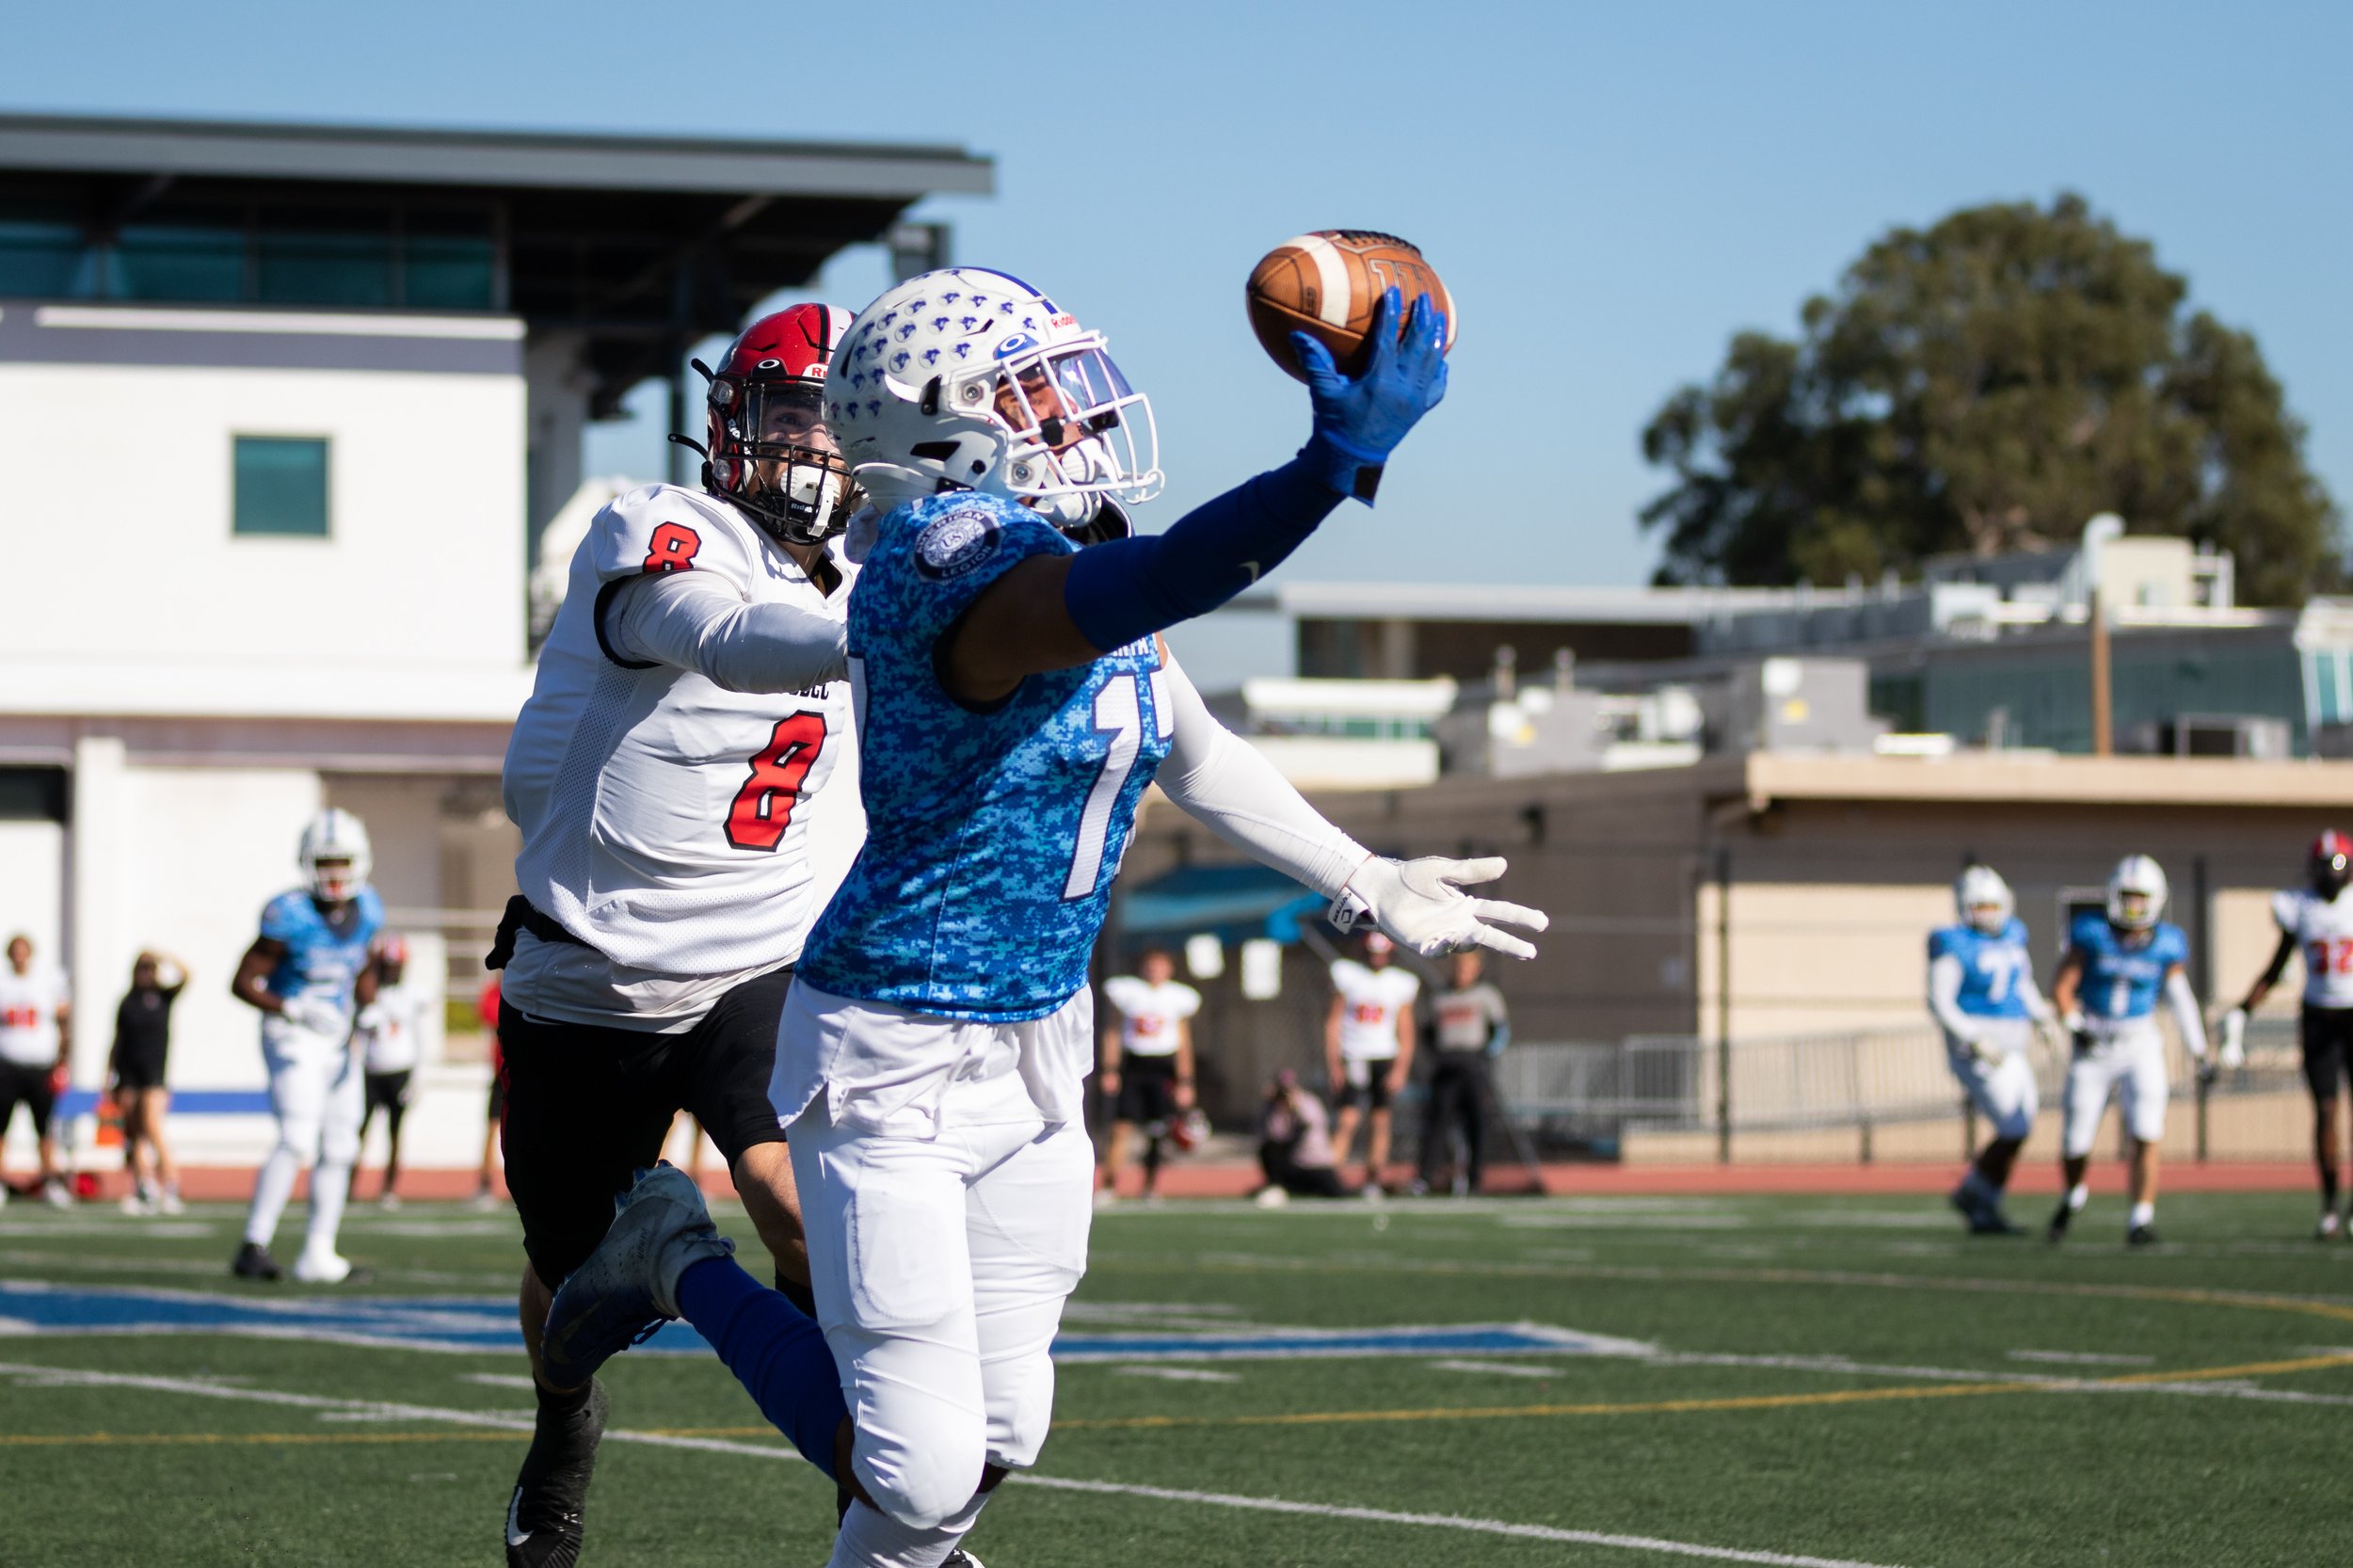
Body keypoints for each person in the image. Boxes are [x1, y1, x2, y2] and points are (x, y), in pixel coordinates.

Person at [540, 266, 1541, 1568]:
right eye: (1035, 391)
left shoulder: (1063, 558)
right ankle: (675, 1257)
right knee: (914, 1467)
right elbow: (1167, 581)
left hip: (1035, 1038)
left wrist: (1363, 874)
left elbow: (1191, 745)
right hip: (890, 1047)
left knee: (997, 1434)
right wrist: (1324, 468)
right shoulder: (940, 560)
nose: (1074, 415)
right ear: (940, 421)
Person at [493, 303, 866, 1568]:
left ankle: (869, 1492)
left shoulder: (888, 566)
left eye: (834, 415)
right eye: (789, 412)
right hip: (589, 977)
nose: (813, 443)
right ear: (729, 424)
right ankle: (561, 1420)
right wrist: (893, 634)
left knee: (805, 1214)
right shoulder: (657, 528)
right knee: (567, 1290)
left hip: (757, 963)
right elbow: (717, 632)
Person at [230, 809, 384, 1283]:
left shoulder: (369, 908)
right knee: (297, 1136)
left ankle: (319, 1251)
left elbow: (362, 969)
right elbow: (241, 982)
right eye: (325, 862)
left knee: (340, 1143)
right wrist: (291, 1007)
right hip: (292, 1033)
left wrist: (372, 1007)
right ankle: (254, 1244)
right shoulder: (288, 913)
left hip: (337, 1037)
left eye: (342, 862)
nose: (334, 873)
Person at [2046, 855, 2211, 1247]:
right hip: (2096, 1043)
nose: (2133, 906)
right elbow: (2062, 987)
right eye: (2127, 896)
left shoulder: (2167, 943)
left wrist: (2201, 1051)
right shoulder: (2092, 934)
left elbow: (2182, 1000)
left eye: (2140, 897)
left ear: (2156, 899)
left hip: (2140, 1044)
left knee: (2146, 1132)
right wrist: (2073, 1024)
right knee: (2075, 1142)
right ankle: (2073, 1193)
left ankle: (2141, 1218)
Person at [2218, 830, 2344, 1237]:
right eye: (2322, 866)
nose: (2328, 873)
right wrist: (2243, 1008)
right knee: (2326, 1111)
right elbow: (2275, 967)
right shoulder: (2299, 907)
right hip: (2318, 1017)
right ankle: (2329, 1206)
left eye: (2336, 864)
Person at [1928, 865, 2060, 1235]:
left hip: (2013, 1046)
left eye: (1992, 904)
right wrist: (1973, 1038)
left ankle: (1980, 1196)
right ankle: (1976, 1192)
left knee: (2023, 1124)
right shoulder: (1952, 942)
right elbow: (1939, 1000)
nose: (1987, 912)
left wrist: (2042, 1018)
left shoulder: (2014, 935)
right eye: (1979, 905)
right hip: (1978, 1051)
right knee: (2013, 1124)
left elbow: (2024, 984)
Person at [1096, 946, 1200, 1203]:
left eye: (1160, 965)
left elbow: (1184, 1042)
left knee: (1158, 1130)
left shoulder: (1178, 997)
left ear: (1170, 968)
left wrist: (1186, 1080)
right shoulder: (1128, 993)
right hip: (1134, 1065)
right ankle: (1109, 1185)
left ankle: (1150, 1186)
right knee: (1120, 1128)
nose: (1155, 970)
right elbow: (1112, 1031)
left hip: (1163, 1067)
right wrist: (1110, 1068)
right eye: (1151, 965)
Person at [1326, 930, 1419, 1193]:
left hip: (1383, 1056)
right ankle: (1331, 1178)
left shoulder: (1399, 983)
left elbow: (1406, 1031)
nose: (1376, 959)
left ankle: (1372, 1180)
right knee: (1347, 1120)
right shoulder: (1349, 977)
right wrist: (1334, 1063)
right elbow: (1333, 1022)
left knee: (1380, 1121)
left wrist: (1401, 1069)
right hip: (1354, 1055)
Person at [1416, 949, 1509, 1196]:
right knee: (1437, 1123)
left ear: (1477, 969)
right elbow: (1428, 1032)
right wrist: (1435, 1054)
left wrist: (1485, 1055)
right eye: (1458, 966)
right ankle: (1426, 1177)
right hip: (1446, 1065)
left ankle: (1475, 1178)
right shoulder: (1441, 997)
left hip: (1473, 1064)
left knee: (1477, 1122)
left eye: (1468, 967)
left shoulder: (1486, 995)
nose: (1462, 972)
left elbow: (1500, 1031)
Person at [110, 950, 188, 1215]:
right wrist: (110, 1075)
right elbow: (117, 1040)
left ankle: (171, 1185)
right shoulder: (128, 1002)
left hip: (153, 1073)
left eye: (149, 968)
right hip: (128, 1074)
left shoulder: (164, 997)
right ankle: (145, 1187)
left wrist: (163, 957)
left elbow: (187, 975)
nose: (145, 973)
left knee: (153, 1127)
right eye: (141, 968)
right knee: (134, 1134)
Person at [0, 933, 73, 1207]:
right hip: (6, 1066)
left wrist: (62, 1060)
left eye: (23, 950)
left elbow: (63, 1022)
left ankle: (50, 1180)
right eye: (15, 951)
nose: (19, 956)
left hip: (40, 1066)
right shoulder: (3, 982)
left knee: (44, 1128)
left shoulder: (47, 981)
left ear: (30, 953)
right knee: (1, 1127)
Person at [356, 934, 424, 1209]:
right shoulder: (369, 992)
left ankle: (388, 1188)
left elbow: (421, 1038)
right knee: (359, 1130)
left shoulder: (411, 994)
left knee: (395, 1132)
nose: (392, 971)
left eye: (396, 966)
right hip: (371, 1070)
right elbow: (359, 1026)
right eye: (387, 966)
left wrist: (417, 1077)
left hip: (400, 1070)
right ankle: (348, 1186)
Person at [1255, 1068, 1345, 1204]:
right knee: (1268, 1151)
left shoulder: (1308, 1103)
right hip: (1293, 1165)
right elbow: (1273, 1137)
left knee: (1337, 1193)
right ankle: (1277, 1186)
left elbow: (1310, 1126)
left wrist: (1296, 1108)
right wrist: (1274, 1107)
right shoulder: (1273, 1108)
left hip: (1315, 1164)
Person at [476, 972, 504, 1209]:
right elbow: (492, 1015)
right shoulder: (495, 992)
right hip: (501, 1073)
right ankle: (485, 1184)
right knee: (492, 1127)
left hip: (524, 1073)